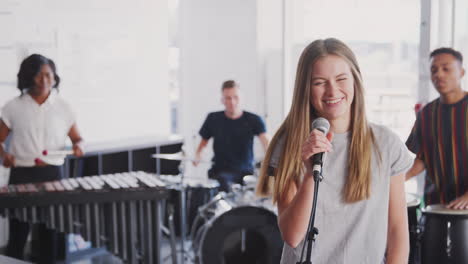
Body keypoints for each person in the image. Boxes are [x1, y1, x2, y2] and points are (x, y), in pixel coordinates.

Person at [256, 38, 412, 263]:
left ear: (355, 81)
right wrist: (310, 174)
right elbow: (292, 235)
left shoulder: (386, 144)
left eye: (341, 79)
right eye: (319, 82)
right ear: (305, 89)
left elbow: (397, 231)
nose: (332, 90)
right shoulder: (288, 143)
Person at [0, 54, 84, 263]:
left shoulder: (63, 107)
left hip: (52, 174)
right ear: (28, 78)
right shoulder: (12, 106)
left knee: (51, 230)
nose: (44, 80)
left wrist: (79, 146)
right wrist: (4, 155)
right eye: (38, 75)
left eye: (49, 75)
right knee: (18, 232)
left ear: (55, 78)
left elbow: (78, 138)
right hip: (22, 174)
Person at [405, 47, 467, 209]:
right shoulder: (426, 114)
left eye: (446, 69)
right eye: (434, 70)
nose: (439, 74)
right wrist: (393, 179)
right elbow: (422, 159)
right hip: (436, 205)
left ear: (461, 72)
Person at [194, 80, 269, 192]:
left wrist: (270, 167)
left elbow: (267, 144)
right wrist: (198, 156)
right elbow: (203, 143)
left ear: (241, 98)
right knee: (220, 182)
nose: (232, 102)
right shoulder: (213, 118)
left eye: (235, 97)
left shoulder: (254, 119)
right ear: (222, 100)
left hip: (246, 172)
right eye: (228, 98)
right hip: (220, 172)